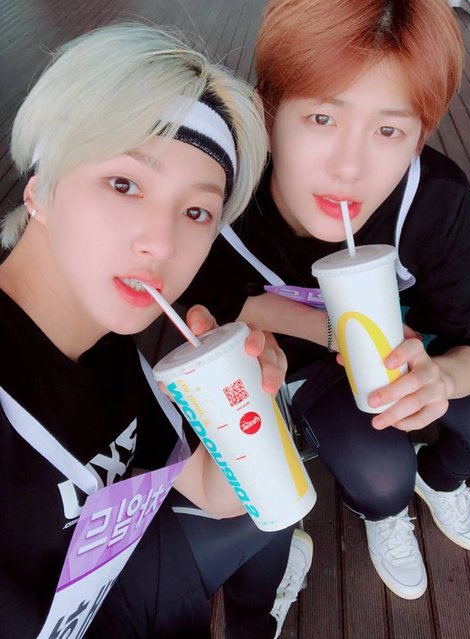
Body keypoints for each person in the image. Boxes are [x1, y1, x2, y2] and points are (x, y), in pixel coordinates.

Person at [0, 22, 312, 638]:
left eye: (196, 211)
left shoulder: (109, 340)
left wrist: (246, 409)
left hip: (114, 585)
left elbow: (212, 492)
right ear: (40, 188)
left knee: (269, 527)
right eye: (124, 184)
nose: (163, 244)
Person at [181, 0, 470, 601]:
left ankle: (443, 479)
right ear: (270, 110)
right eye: (321, 118)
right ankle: (386, 513)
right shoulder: (223, 202)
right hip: (304, 361)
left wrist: (442, 377)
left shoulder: (435, 203)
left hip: (417, 349)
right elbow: (218, 304)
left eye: (388, 130)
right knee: (381, 477)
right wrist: (330, 331)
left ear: (419, 138)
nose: (348, 168)